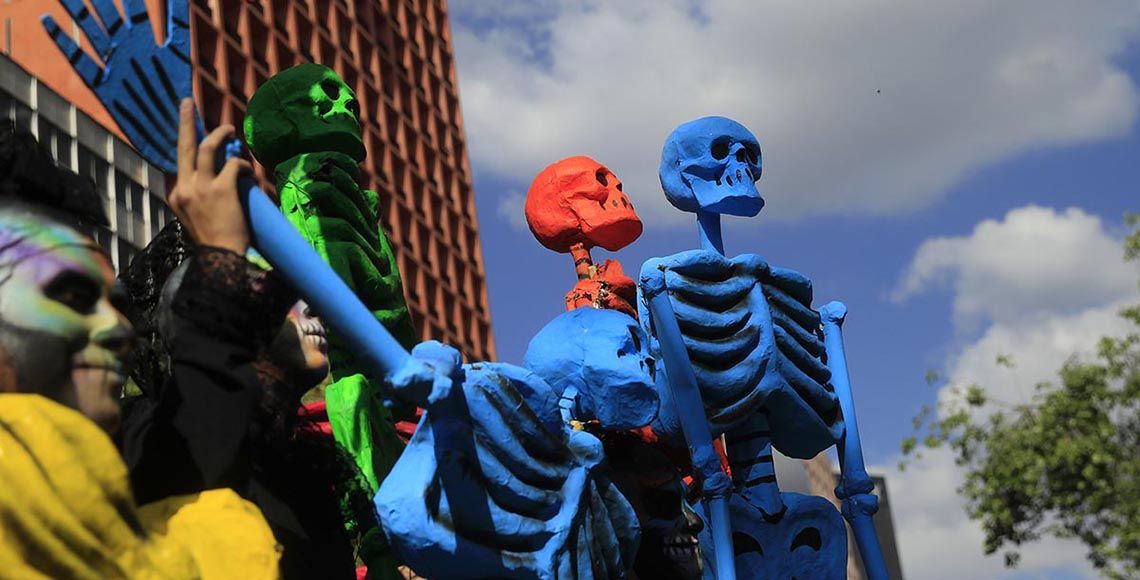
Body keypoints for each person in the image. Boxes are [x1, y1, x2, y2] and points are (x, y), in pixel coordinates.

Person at [0, 118, 279, 578]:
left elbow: (196, 437)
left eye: (116, 304)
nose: (118, 328)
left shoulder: (118, 467)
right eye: (70, 296)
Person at [118, 98, 371, 579]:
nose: (309, 307)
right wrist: (221, 253)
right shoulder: (153, 438)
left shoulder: (306, 478)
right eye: (273, 291)